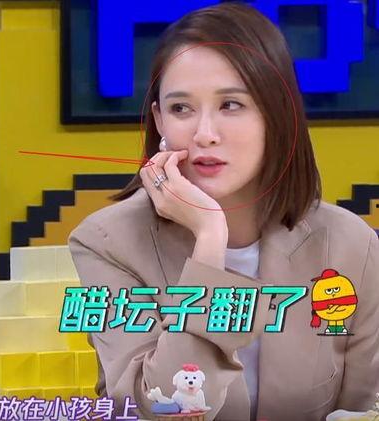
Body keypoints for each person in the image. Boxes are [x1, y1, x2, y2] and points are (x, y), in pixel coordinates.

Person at [67, 3, 379, 421]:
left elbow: (364, 408)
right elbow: (161, 410)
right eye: (181, 109)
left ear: (277, 114)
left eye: (231, 105)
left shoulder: (350, 246)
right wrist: (210, 240)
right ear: (159, 121)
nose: (205, 134)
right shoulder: (107, 243)